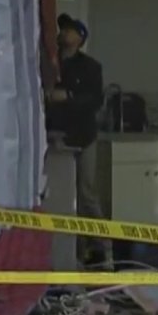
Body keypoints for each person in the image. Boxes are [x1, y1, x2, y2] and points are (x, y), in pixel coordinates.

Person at [46, 14, 107, 263]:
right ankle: (73, 253)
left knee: (86, 194)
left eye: (69, 30)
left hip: (83, 138)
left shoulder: (91, 67)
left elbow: (95, 100)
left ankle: (102, 249)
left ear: (80, 38)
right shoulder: (50, 63)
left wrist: (68, 96)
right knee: (61, 197)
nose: (63, 34)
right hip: (56, 139)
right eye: (62, 30)